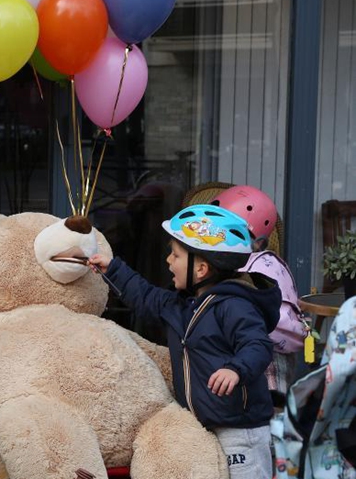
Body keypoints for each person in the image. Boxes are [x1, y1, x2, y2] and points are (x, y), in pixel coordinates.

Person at [88, 204, 281, 479]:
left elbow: (258, 345)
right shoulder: (184, 306)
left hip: (239, 430)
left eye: (175, 254)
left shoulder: (235, 305)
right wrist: (113, 269)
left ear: (201, 268)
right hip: (202, 427)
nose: (168, 260)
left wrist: (236, 369)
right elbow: (146, 297)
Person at [210, 185, 308, 405]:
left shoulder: (255, 269)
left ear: (257, 243)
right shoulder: (264, 261)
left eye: (231, 234)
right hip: (267, 349)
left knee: (267, 410)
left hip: (268, 356)